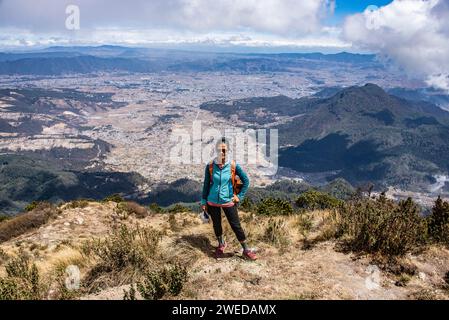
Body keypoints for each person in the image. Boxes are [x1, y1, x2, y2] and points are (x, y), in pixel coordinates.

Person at [201, 137, 257, 260]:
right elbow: (206, 185)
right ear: (215, 150)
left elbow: (246, 181)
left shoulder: (232, 165)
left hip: (228, 200)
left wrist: (239, 196)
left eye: (224, 150)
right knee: (217, 224)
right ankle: (221, 244)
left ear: (228, 151)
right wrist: (204, 201)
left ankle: (246, 249)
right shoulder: (210, 166)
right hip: (212, 201)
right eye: (219, 150)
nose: (222, 152)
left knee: (236, 225)